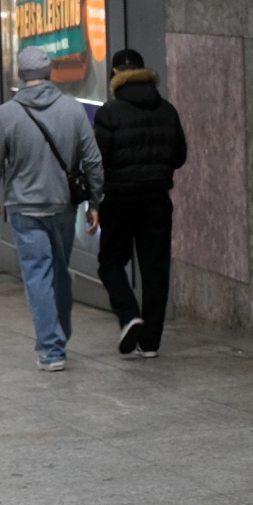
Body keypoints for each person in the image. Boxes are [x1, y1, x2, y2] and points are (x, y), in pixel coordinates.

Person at [0, 44, 105, 371]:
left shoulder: (6, 114)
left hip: (24, 208)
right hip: (63, 206)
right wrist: (94, 202)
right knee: (60, 272)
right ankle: (59, 336)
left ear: (21, 75)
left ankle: (52, 350)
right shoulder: (73, 110)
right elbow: (93, 160)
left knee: (38, 273)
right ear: (50, 72)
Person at [93, 48, 188, 359]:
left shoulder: (109, 113)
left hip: (119, 199)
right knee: (155, 268)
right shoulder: (167, 110)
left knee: (111, 262)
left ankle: (130, 315)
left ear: (115, 75)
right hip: (157, 199)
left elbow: (99, 159)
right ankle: (150, 343)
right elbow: (179, 156)